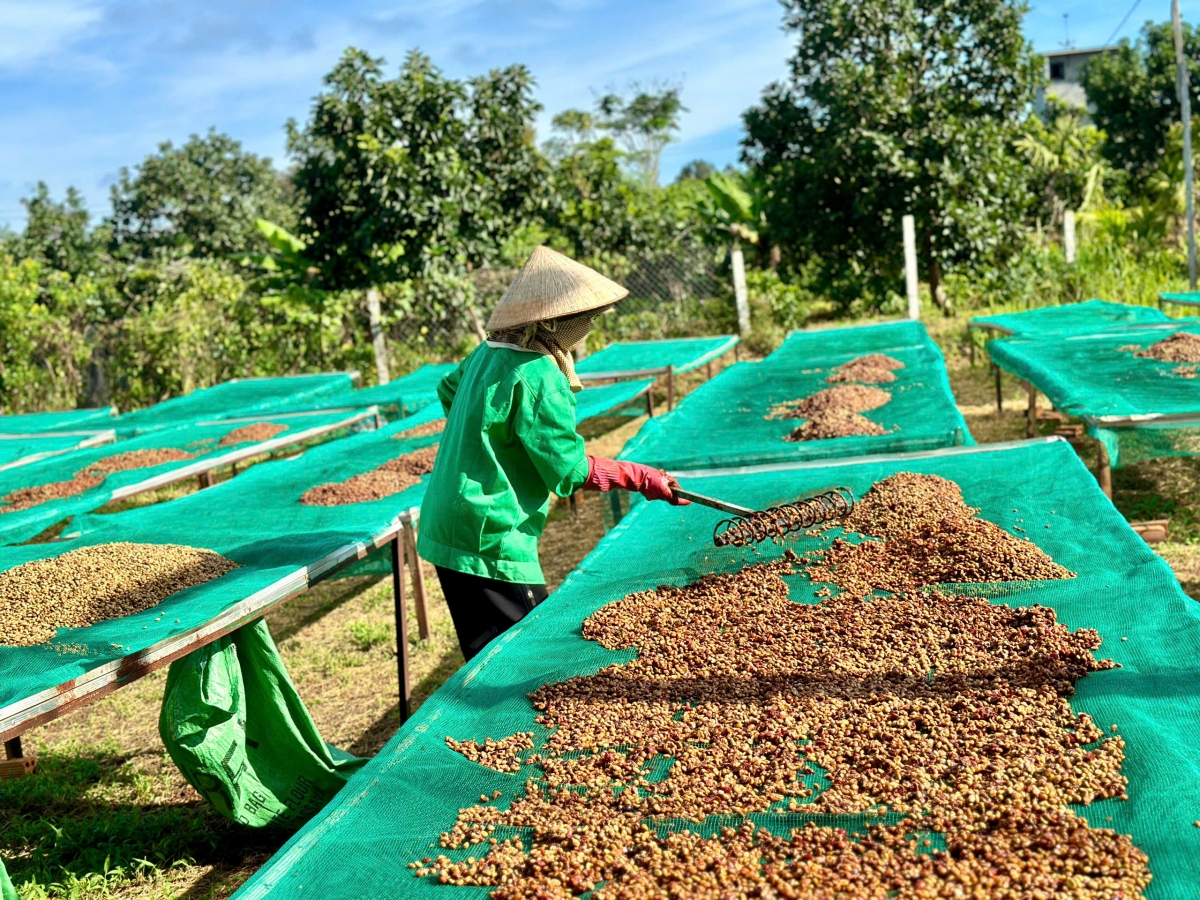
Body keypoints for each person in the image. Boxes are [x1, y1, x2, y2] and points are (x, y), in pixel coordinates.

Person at [416, 246, 688, 661]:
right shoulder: (540, 375)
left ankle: (489, 723)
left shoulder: (488, 352)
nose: (587, 327)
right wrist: (639, 477)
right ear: (555, 321)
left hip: (447, 520)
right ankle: (498, 726)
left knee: (483, 645)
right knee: (520, 652)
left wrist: (484, 443)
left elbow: (448, 390)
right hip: (490, 536)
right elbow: (569, 471)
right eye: (583, 320)